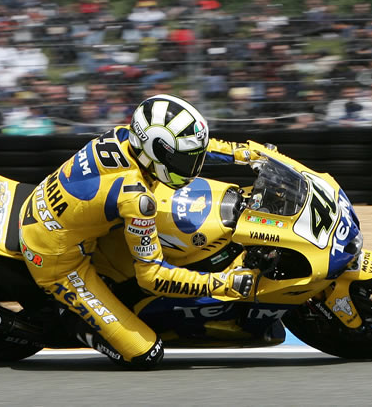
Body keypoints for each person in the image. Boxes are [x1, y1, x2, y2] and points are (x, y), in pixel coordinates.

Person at [17, 94, 260, 368]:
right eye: (184, 161)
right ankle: (72, 319)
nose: (193, 168)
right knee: (146, 353)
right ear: (156, 152)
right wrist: (224, 284)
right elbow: (152, 277)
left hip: (64, 218)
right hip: (57, 258)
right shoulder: (136, 199)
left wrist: (242, 153)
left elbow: (191, 147)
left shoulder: (125, 135)